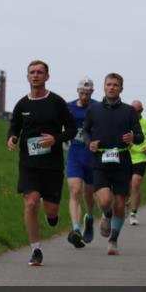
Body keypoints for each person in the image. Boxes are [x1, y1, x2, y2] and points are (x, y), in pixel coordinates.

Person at [7, 60, 77, 266]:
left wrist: (55, 139)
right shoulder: (22, 104)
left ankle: (52, 217)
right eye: (32, 72)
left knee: (51, 211)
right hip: (29, 164)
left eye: (40, 72)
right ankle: (35, 249)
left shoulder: (57, 102)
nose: (35, 75)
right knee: (31, 202)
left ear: (47, 77)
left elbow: (71, 130)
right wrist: (12, 137)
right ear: (27, 77)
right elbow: (14, 127)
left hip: (52, 165)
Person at [83, 74, 144, 255]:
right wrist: (89, 143)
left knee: (119, 204)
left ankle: (113, 239)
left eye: (115, 85)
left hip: (122, 162)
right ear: (104, 87)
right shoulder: (94, 109)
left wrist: (134, 137)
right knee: (105, 200)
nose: (112, 87)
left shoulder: (129, 111)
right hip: (100, 161)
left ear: (121, 89)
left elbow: (139, 136)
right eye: (109, 84)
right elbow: (85, 130)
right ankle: (106, 215)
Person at [64, 77, 99, 247]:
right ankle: (76, 229)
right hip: (75, 154)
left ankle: (90, 218)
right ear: (77, 92)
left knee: (89, 194)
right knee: (75, 190)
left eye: (87, 93)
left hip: (92, 155)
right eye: (82, 93)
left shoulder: (97, 107)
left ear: (92, 93)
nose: (84, 96)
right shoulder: (68, 107)